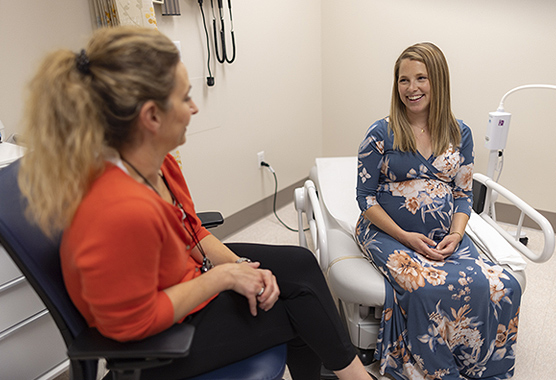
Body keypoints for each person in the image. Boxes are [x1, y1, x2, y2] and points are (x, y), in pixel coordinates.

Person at [18, 26, 373, 380]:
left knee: (299, 264)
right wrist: (222, 278)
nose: (194, 108)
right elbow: (132, 325)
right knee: (300, 312)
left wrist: (242, 267)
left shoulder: (158, 164)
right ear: (152, 116)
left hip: (182, 286)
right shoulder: (121, 209)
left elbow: (192, 233)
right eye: (185, 97)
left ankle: (349, 374)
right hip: (158, 344)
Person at [355, 42, 521, 380]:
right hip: (387, 234)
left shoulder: (460, 133)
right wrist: (405, 237)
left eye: (421, 78)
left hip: (445, 235)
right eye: (404, 80)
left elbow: (462, 194)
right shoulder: (381, 133)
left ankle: (479, 365)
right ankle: (434, 371)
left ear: (439, 81)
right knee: (424, 288)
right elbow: (365, 198)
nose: (411, 88)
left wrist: (457, 234)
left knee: (499, 285)